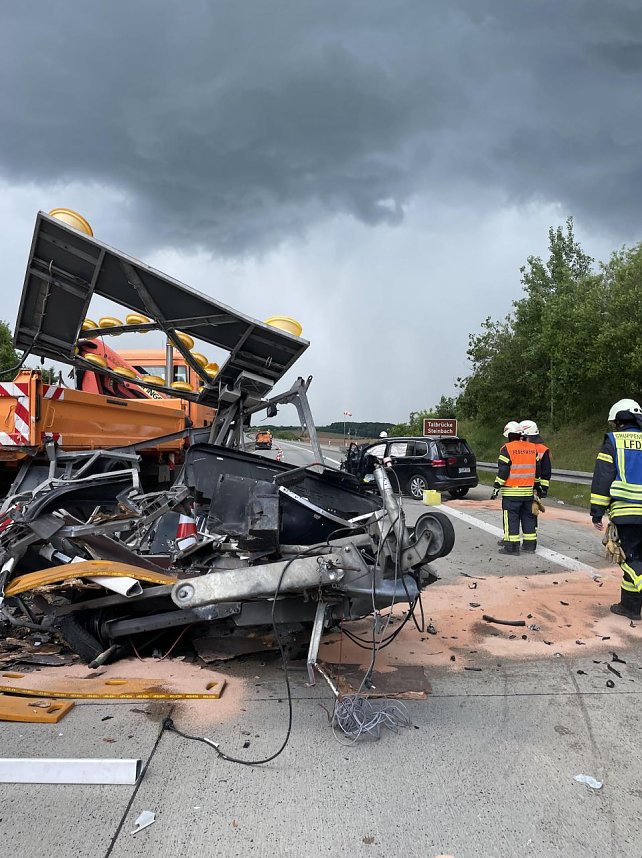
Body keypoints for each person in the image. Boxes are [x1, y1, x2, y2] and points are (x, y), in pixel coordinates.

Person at [590, 398, 642, 619]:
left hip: (627, 513)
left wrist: (597, 511)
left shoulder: (614, 441)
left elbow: (604, 478)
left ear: (620, 420)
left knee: (631, 559)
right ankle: (630, 607)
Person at [491, 420, 540, 555]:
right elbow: (537, 471)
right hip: (528, 493)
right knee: (528, 518)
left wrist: (496, 487)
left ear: (509, 435)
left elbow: (503, 471)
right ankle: (530, 546)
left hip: (512, 494)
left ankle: (511, 548)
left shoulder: (507, 449)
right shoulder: (532, 448)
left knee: (511, 519)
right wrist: (537, 486)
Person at [520, 420, 551, 498]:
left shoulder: (513, 449)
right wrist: (543, 489)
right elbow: (546, 472)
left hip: (518, 489)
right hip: (534, 489)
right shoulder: (542, 449)